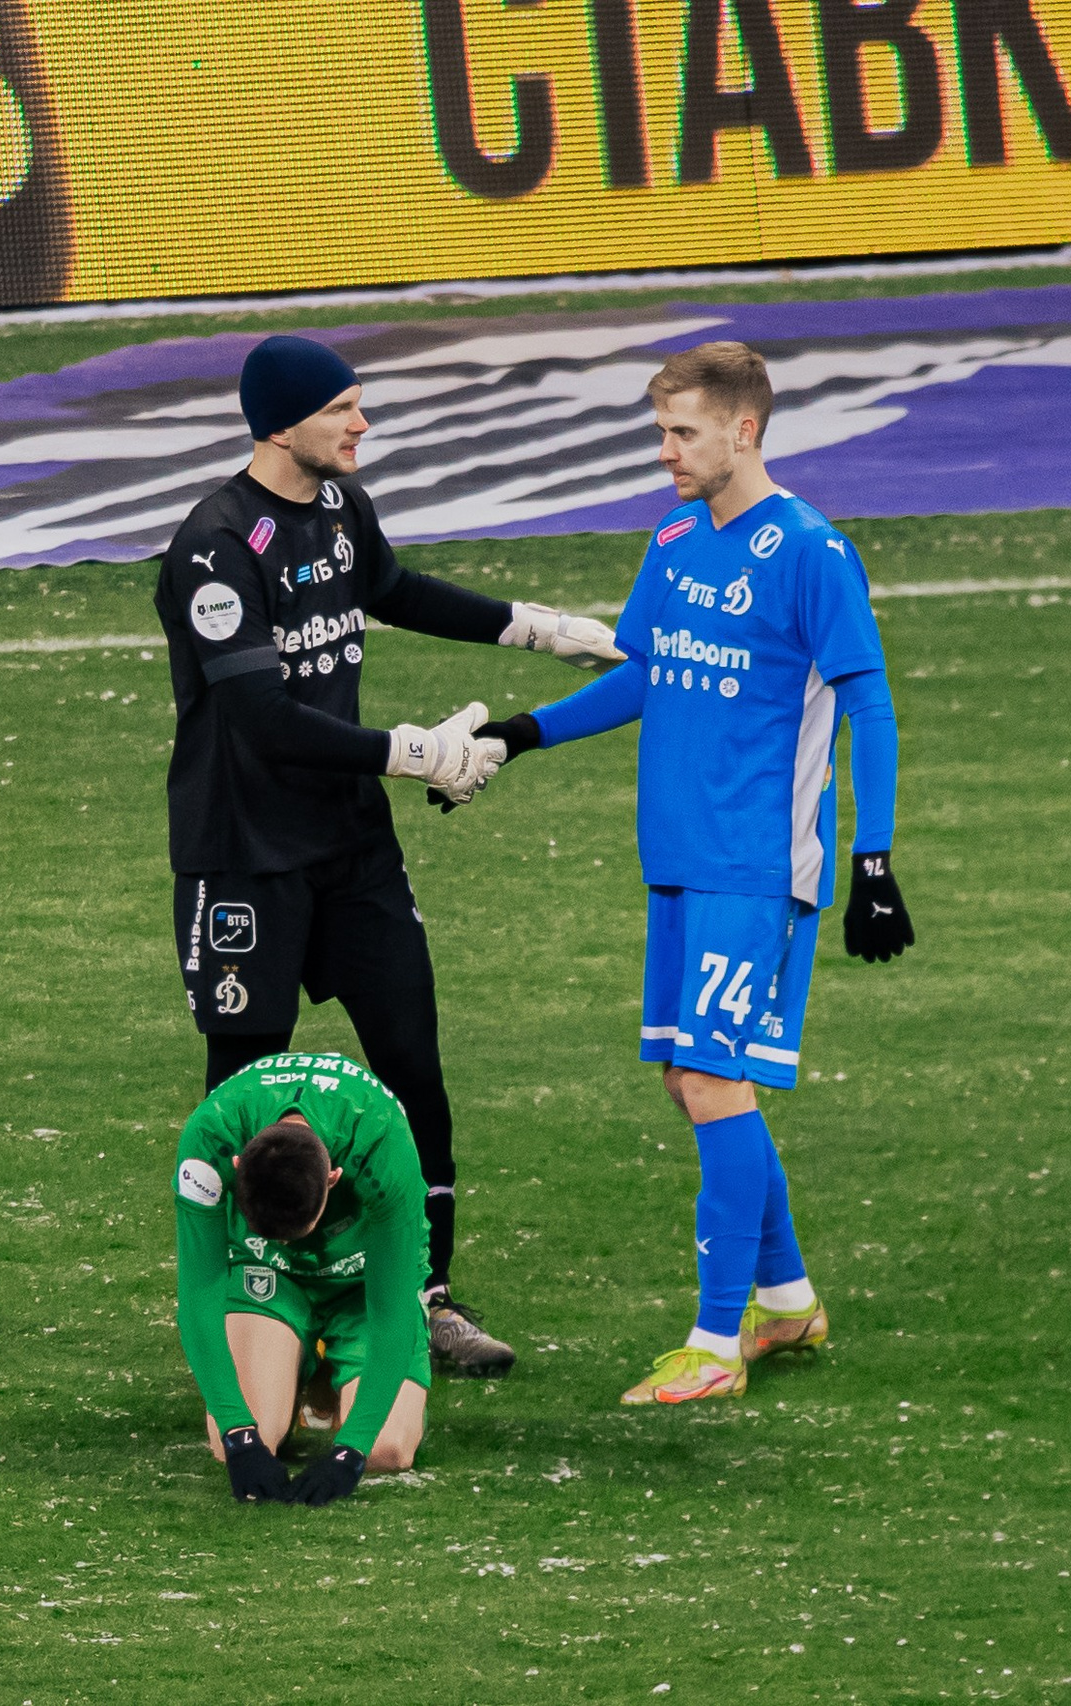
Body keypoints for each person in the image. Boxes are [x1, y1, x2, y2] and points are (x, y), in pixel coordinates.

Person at [156, 333, 622, 1378]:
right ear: (282, 423)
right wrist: (415, 752)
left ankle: (425, 1298)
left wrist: (534, 628)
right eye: (343, 409)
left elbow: (394, 589)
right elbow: (264, 718)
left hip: (351, 844)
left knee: (411, 1061)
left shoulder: (340, 509)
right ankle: (257, 1309)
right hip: (246, 857)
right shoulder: (215, 547)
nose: (362, 424)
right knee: (247, 1082)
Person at [476, 341, 916, 1405]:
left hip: (757, 863)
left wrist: (875, 859)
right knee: (691, 1079)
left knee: (713, 1079)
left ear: (744, 430)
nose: (664, 452)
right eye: (660, 431)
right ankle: (786, 1298)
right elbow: (649, 677)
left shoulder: (811, 551)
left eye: (681, 432)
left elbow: (870, 705)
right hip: (676, 859)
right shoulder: (673, 538)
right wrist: (518, 734)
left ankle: (716, 1344)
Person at [175, 1051, 433, 1504]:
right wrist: (239, 1435)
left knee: (387, 1451)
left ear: (334, 1178)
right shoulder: (208, 1139)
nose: (291, 1244)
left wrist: (350, 1454)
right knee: (230, 1439)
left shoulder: (382, 1144)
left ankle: (319, 1367)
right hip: (267, 1275)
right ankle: (301, 1365)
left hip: (362, 1283)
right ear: (236, 1167)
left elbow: (392, 1313)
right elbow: (199, 1293)